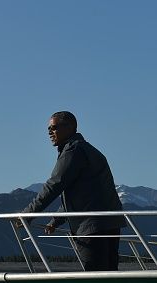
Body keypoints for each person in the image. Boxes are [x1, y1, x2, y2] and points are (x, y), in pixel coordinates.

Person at [22, 111, 125, 271]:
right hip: (109, 224)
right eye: (48, 129)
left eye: (54, 128)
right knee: (108, 275)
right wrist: (56, 220)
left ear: (70, 127)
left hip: (90, 227)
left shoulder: (73, 151)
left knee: (95, 275)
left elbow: (55, 184)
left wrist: (28, 214)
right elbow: (85, 194)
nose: (50, 132)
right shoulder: (90, 151)